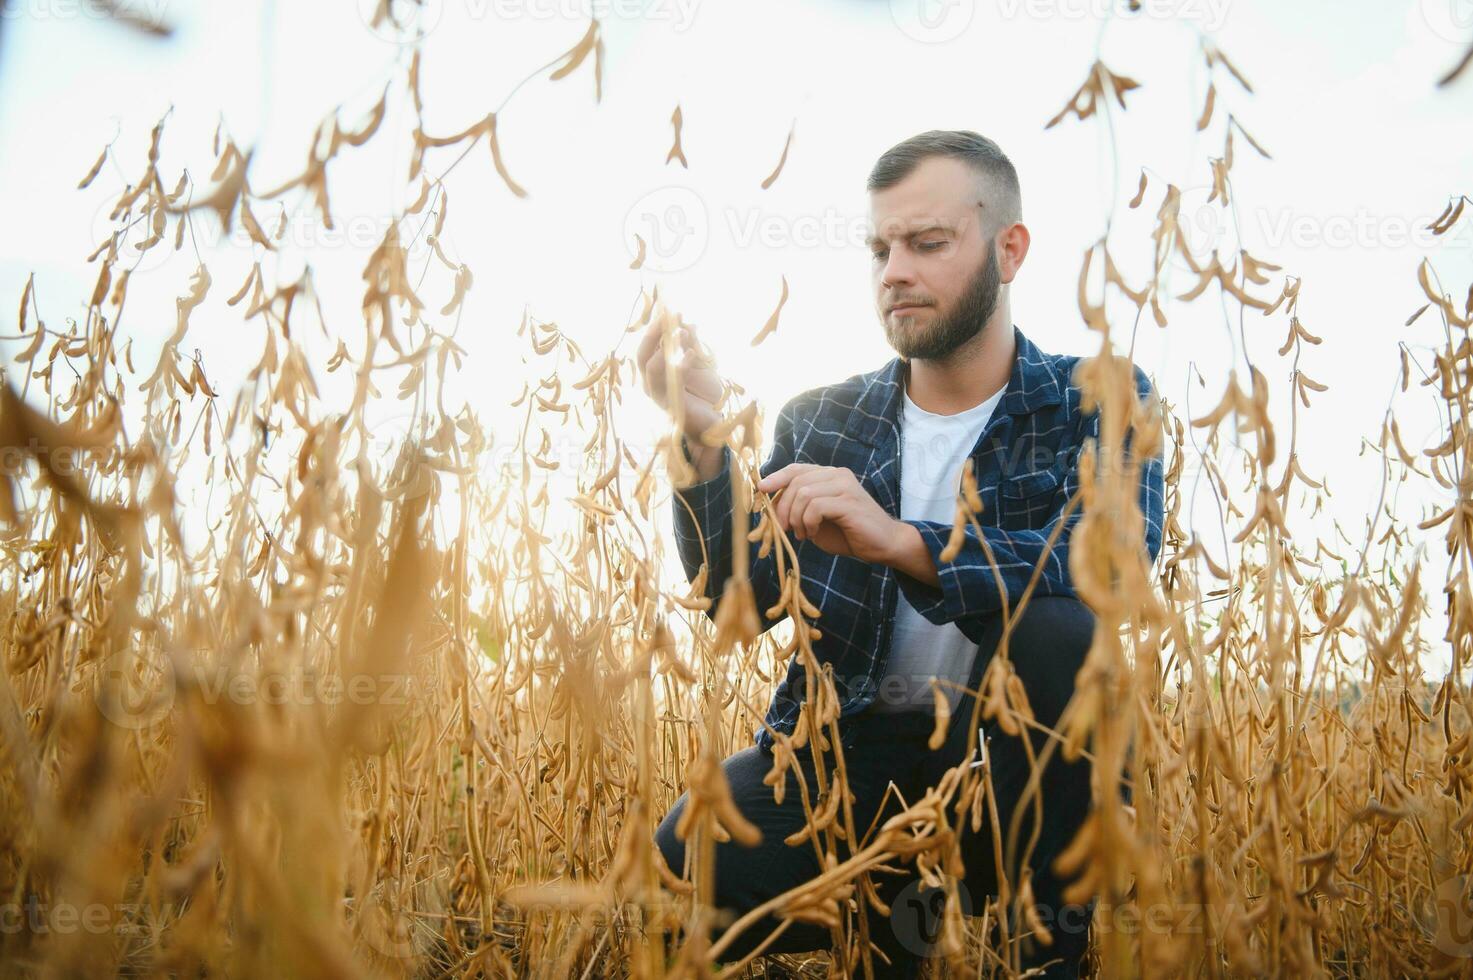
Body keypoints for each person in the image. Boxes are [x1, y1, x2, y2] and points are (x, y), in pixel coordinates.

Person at [636, 130, 1165, 978]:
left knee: (1061, 634)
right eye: (879, 248)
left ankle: (1046, 956)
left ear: (1008, 249)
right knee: (682, 861)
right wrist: (698, 439)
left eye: (926, 244)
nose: (893, 272)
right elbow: (736, 595)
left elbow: (1111, 567)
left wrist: (905, 543)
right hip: (848, 755)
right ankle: (902, 924)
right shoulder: (822, 419)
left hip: (1013, 767)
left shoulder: (1095, 398)